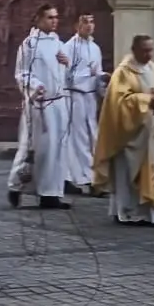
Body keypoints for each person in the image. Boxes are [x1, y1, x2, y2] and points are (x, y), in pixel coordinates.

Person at [93, 35, 154, 226]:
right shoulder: (123, 72)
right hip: (132, 135)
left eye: (151, 50)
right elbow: (119, 102)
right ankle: (131, 212)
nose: (149, 54)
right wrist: (147, 100)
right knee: (129, 172)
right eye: (145, 50)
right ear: (134, 50)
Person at [6, 4, 71, 210]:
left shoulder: (58, 43)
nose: (54, 21)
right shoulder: (30, 45)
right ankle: (15, 186)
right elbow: (22, 73)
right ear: (39, 19)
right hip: (39, 105)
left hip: (58, 103)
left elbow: (62, 75)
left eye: (56, 17)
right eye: (50, 17)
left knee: (56, 150)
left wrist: (66, 63)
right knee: (34, 148)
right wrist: (36, 86)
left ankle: (50, 194)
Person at [61, 13, 107, 194]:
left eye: (92, 22)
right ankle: (85, 178)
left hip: (90, 98)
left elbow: (97, 72)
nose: (89, 25)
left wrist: (102, 82)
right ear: (76, 26)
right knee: (79, 138)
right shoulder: (68, 47)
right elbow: (67, 76)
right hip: (75, 96)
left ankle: (95, 175)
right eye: (85, 22)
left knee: (92, 135)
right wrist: (89, 75)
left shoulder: (95, 48)